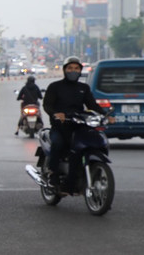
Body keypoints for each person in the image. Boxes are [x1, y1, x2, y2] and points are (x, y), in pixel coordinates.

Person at [42, 56, 112, 187]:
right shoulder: (55, 87)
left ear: (80, 70)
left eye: (76, 68)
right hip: (60, 126)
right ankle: (53, 173)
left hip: (79, 125)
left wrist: (105, 115)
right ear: (64, 70)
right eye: (70, 68)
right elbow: (47, 105)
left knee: (92, 141)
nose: (73, 71)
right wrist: (55, 114)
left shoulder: (84, 88)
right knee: (57, 144)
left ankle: (78, 174)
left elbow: (92, 105)